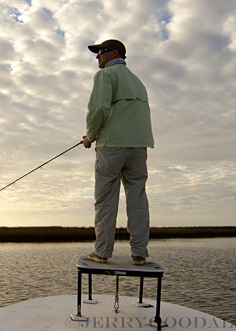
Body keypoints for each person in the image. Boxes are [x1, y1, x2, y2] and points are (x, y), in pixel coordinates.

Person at [82, 39, 154, 265]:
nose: (97, 57)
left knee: (105, 201)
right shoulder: (138, 81)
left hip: (112, 146)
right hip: (139, 147)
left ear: (115, 53)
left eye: (101, 52)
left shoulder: (105, 76)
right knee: (138, 199)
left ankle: (102, 252)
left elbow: (99, 108)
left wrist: (90, 136)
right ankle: (139, 253)